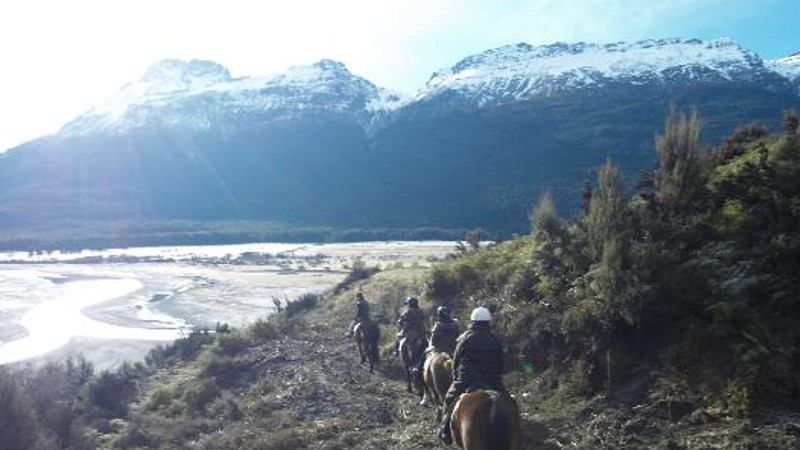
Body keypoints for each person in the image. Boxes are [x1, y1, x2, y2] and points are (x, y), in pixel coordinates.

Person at [438, 306, 505, 445]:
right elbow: (501, 362)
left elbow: (456, 360)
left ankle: (445, 430)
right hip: (491, 380)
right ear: (488, 322)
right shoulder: (495, 339)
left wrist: (456, 378)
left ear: (473, 321)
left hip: (467, 380)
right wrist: (497, 377)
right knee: (507, 401)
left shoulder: (464, 338)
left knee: (449, 398)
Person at [416, 305, 460, 406]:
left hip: (438, 349)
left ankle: (424, 390)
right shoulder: (455, 324)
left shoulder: (438, 325)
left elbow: (434, 341)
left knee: (422, 359)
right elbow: (457, 337)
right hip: (453, 351)